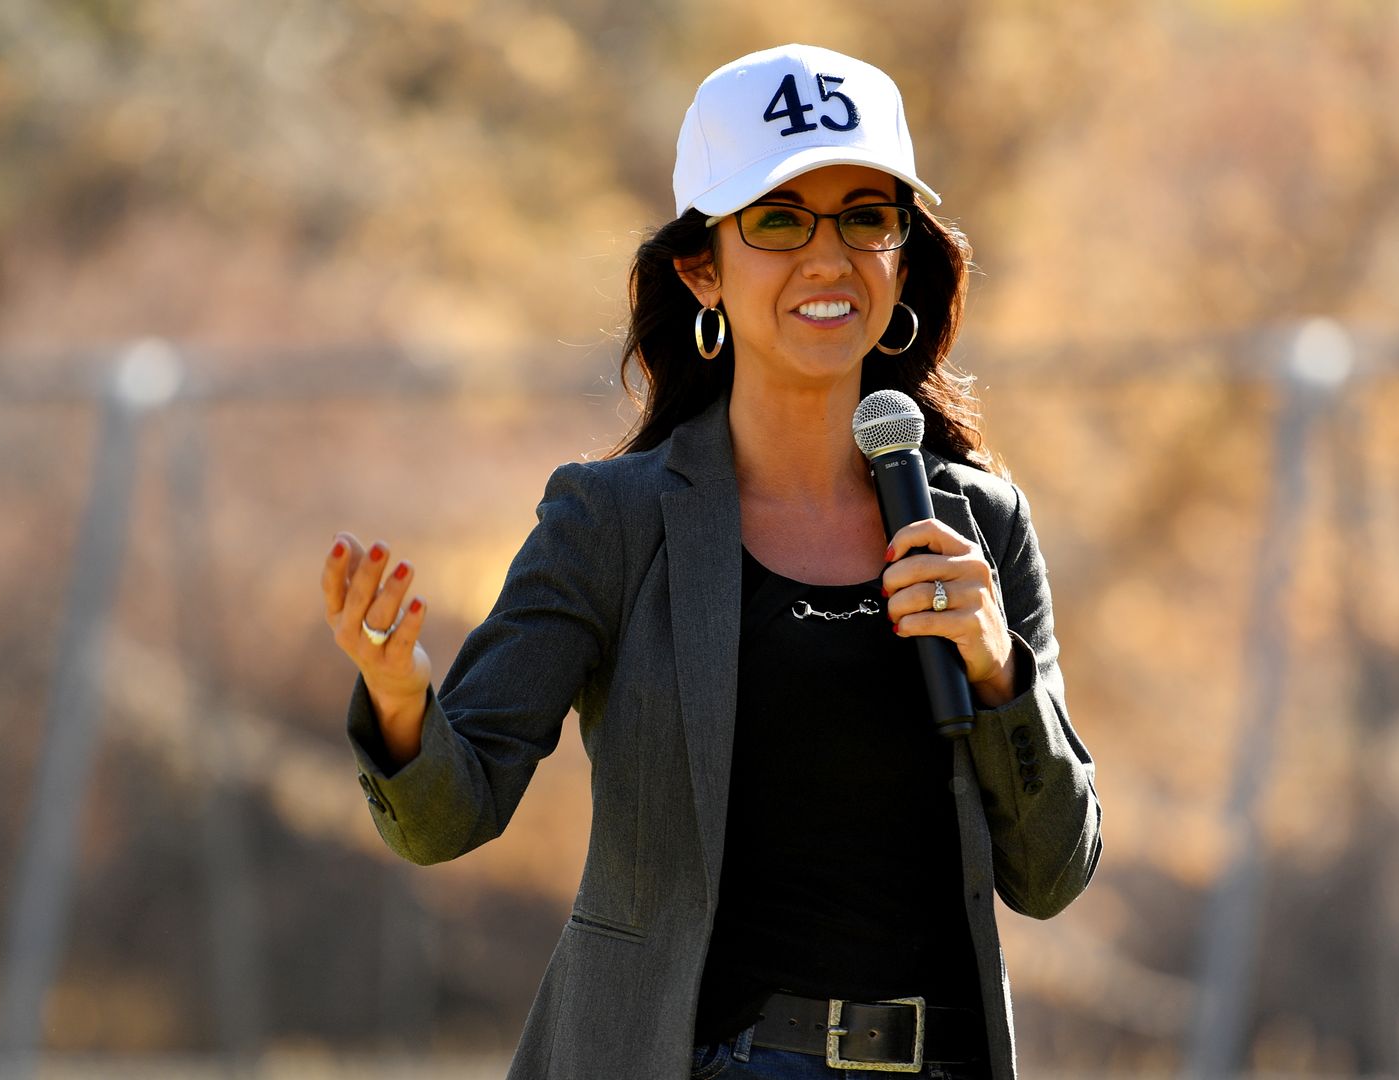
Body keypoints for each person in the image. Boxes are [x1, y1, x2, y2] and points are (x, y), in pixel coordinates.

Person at [318, 43, 1100, 1080]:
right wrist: (399, 696)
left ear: (904, 254)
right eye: (779, 220)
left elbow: (1051, 872)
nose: (829, 259)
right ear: (702, 266)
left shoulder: (980, 523)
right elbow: (449, 817)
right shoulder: (611, 521)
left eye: (867, 216)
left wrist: (999, 674)